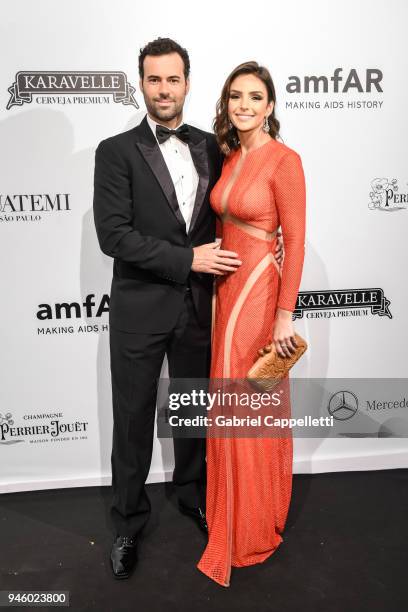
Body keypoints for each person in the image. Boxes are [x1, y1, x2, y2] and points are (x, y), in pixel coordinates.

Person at [93, 39, 285, 579]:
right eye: (154, 80)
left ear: (187, 84)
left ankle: (193, 495)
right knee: (131, 422)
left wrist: (268, 249)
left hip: (204, 309)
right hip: (139, 308)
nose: (164, 90)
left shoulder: (212, 146)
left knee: (195, 413)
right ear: (141, 84)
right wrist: (186, 259)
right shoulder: (115, 151)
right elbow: (114, 236)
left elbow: (242, 209)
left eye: (173, 80)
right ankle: (128, 525)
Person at [196, 61, 306, 587]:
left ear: (270, 106)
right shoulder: (231, 155)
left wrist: (284, 315)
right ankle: (230, 515)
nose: (244, 105)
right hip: (224, 293)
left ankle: (253, 525)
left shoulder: (285, 161)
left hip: (260, 296)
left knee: (248, 403)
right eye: (236, 96)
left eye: (254, 97)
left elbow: (296, 241)